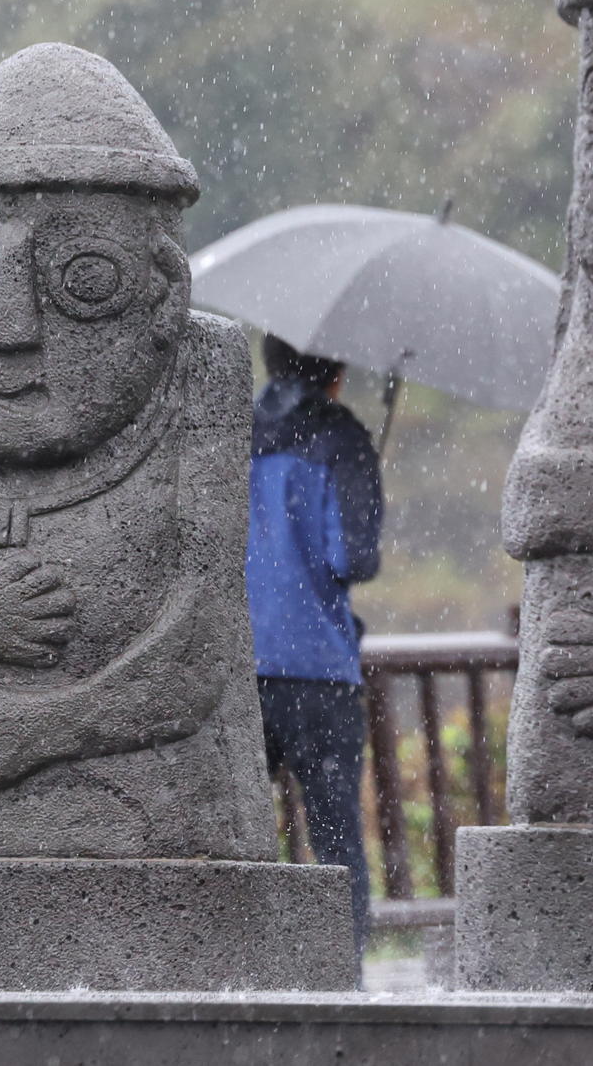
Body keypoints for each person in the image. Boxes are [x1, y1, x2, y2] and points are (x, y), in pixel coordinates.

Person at [246, 333, 383, 950]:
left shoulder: (233, 430)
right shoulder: (343, 438)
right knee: (336, 842)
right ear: (335, 367)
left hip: (236, 671)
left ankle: (244, 976)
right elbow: (354, 558)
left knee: (239, 837)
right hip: (319, 670)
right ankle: (341, 979)